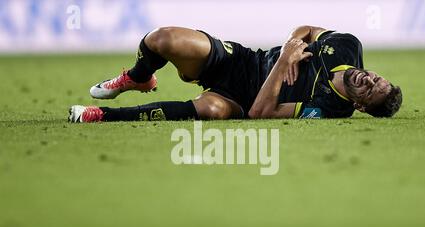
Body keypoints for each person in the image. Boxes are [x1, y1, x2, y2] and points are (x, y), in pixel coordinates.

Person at [68, 26, 402, 123]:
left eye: (370, 91)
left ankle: (103, 116)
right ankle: (140, 77)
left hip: (239, 100)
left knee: (210, 111)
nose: (368, 80)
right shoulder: (347, 45)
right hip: (238, 61)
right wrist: (294, 43)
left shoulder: (331, 107)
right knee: (163, 40)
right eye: (376, 79)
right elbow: (306, 29)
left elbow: (261, 112)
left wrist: (286, 61)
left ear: (359, 106)